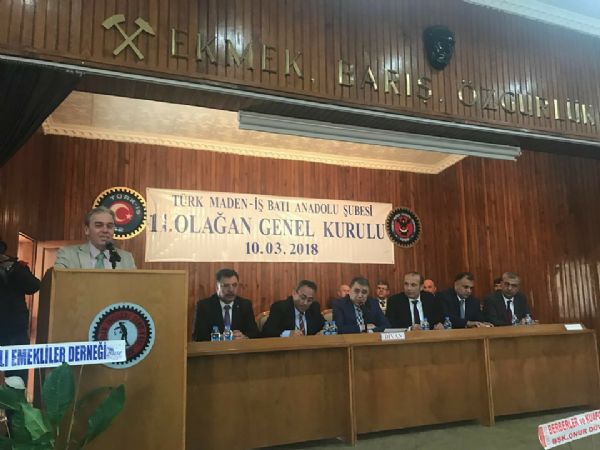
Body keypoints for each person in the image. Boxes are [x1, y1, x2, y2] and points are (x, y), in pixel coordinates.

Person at [0, 240, 41, 382]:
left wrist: (13, 269)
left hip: (15, 330)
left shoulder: (16, 267)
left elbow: (34, 286)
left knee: (17, 377)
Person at [54, 206, 136, 269]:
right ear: (87, 230)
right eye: (98, 225)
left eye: (109, 226)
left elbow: (133, 285)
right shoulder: (67, 254)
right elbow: (58, 282)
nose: (105, 230)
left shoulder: (126, 258)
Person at [192, 268, 259, 341]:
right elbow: (198, 336)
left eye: (234, 285)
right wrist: (220, 338)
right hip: (215, 348)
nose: (231, 289)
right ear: (217, 287)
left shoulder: (245, 305)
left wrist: (244, 337)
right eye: (226, 285)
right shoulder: (204, 306)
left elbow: (254, 333)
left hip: (239, 347)